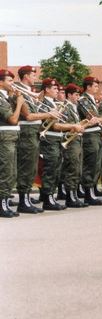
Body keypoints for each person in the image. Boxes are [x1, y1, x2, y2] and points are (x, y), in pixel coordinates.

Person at [38, 78, 85, 210]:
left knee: (56, 170)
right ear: (46, 90)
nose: (58, 91)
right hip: (50, 139)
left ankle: (52, 197)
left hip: (57, 140)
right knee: (51, 169)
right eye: (54, 89)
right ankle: (48, 198)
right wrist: (73, 126)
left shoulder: (54, 104)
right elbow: (55, 126)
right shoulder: (44, 105)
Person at [13, 66, 54, 214]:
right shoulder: (19, 91)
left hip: (33, 133)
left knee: (32, 168)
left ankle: (26, 199)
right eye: (33, 75)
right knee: (26, 168)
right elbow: (29, 116)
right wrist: (49, 114)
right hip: (27, 133)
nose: (35, 78)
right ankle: (23, 201)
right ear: (25, 76)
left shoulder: (29, 93)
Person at [78, 76, 102, 205]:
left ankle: (92, 192)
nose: (97, 88)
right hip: (89, 136)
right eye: (95, 85)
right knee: (90, 165)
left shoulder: (92, 100)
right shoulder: (83, 100)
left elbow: (97, 120)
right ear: (88, 87)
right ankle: (88, 193)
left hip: (96, 135)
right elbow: (93, 118)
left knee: (96, 165)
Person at [61, 84, 93, 207]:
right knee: (72, 168)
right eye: (76, 94)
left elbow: (78, 126)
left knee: (78, 168)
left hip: (77, 140)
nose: (78, 97)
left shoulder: (74, 107)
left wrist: (87, 123)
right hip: (70, 142)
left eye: (79, 94)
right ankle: (70, 197)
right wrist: (77, 127)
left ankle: (74, 195)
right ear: (69, 95)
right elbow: (66, 126)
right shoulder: (65, 107)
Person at [0, 70, 24, 218]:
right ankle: (2, 204)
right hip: (5, 138)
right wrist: (20, 104)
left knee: (12, 172)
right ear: (1, 82)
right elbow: (13, 120)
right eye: (9, 81)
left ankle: (5, 203)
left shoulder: (6, 98)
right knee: (6, 172)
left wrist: (16, 100)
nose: (12, 84)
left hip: (11, 137)